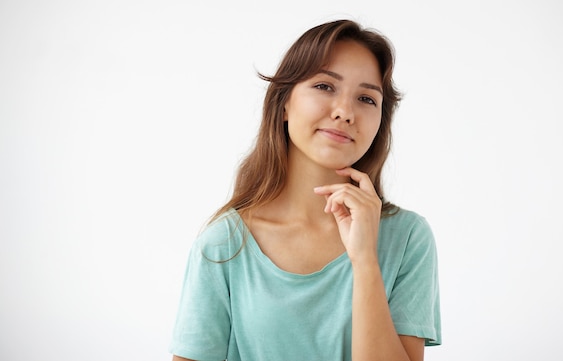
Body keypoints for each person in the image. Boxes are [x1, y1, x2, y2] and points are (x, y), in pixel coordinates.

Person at [169, 19, 441, 361]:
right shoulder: (224, 245)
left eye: (366, 99)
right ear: (284, 103)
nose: (345, 112)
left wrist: (365, 261)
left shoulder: (407, 239)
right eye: (325, 86)